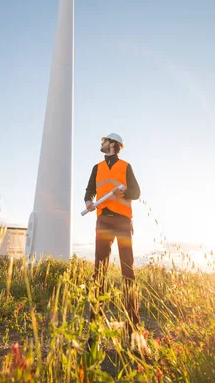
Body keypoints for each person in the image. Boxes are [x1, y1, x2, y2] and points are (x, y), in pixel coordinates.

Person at [85, 133, 141, 335]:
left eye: (105, 141)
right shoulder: (96, 168)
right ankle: (94, 329)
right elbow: (89, 190)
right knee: (99, 272)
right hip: (103, 221)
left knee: (128, 272)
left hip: (123, 222)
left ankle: (132, 329)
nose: (102, 143)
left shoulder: (125, 167)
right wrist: (88, 202)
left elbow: (136, 193)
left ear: (114, 145)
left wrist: (122, 193)